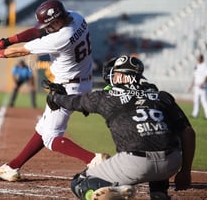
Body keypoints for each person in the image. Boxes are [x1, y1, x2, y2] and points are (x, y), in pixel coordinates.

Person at [0, 0, 105, 182]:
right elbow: (38, 31)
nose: (47, 28)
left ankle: (94, 160)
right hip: (80, 82)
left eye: (50, 24)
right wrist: (6, 41)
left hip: (67, 89)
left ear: (57, 21)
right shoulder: (77, 17)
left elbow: (21, 51)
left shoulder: (60, 39)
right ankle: (12, 167)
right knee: (43, 128)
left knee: (51, 137)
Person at [47, 55, 196, 200]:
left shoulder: (107, 97)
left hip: (135, 164)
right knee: (157, 136)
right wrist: (186, 171)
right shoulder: (161, 96)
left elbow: (76, 102)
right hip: (171, 163)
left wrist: (55, 98)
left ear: (123, 77)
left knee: (79, 183)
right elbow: (188, 131)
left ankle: (117, 194)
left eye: (116, 73)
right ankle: (159, 193)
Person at [188, 54, 207, 119]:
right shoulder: (196, 66)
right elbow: (194, 77)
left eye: (199, 58)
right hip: (196, 86)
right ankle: (195, 114)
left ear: (202, 59)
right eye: (197, 58)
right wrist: (191, 85)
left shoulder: (205, 65)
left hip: (202, 86)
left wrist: (203, 83)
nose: (198, 60)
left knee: (204, 100)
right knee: (196, 100)